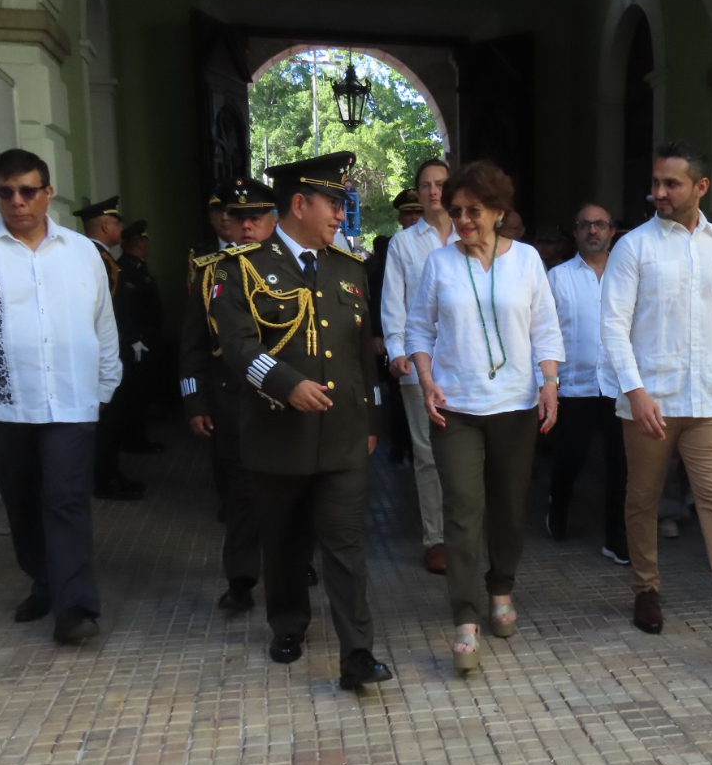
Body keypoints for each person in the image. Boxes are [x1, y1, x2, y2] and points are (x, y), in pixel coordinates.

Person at [211, 152, 392, 690]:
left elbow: (364, 357)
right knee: (285, 543)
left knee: (345, 543)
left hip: (341, 436)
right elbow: (238, 347)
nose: (341, 214)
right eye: (333, 203)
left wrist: (372, 419)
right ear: (299, 203)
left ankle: (358, 653)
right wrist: (286, 386)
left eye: (341, 203)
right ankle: (288, 623)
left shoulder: (350, 269)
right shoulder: (240, 268)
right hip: (277, 434)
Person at [0, 148, 121, 643]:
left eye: (27, 191)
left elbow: (103, 322)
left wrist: (106, 381)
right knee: (21, 499)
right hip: (3, 400)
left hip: (72, 399)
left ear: (48, 193)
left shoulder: (82, 251)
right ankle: (44, 580)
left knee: (66, 498)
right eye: (6, 192)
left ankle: (75, 608)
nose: (17, 202)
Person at [600, 140, 712, 658]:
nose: (659, 192)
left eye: (670, 184)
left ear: (700, 187)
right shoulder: (634, 246)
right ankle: (646, 588)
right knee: (644, 499)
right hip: (650, 400)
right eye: (656, 183)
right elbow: (612, 324)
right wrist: (634, 391)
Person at [405, 159, 564, 673]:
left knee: (509, 506)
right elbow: (418, 330)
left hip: (515, 406)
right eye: (455, 212)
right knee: (463, 510)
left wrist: (550, 383)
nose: (463, 221)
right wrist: (426, 379)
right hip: (456, 407)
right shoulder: (440, 264)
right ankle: (466, 620)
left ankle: (501, 590)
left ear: (499, 211)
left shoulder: (527, 262)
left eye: (474, 211)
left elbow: (545, 327)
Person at [181, 177, 279, 615]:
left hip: (284, 399)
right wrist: (195, 401)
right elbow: (192, 346)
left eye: (255, 217)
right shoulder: (209, 274)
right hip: (229, 397)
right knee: (240, 493)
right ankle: (241, 579)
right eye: (237, 217)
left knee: (289, 488)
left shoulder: (296, 269)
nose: (245, 227)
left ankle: (294, 560)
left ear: (274, 219)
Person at [545, 202, 628, 564]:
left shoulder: (629, 276)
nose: (592, 231)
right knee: (570, 458)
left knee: (621, 466)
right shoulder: (557, 277)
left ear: (612, 231)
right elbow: (544, 333)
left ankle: (617, 537)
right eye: (584, 225)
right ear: (575, 232)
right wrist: (544, 382)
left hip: (618, 385)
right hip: (574, 386)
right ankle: (558, 506)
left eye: (600, 225)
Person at [382, 158, 453, 574]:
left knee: (467, 450)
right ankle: (436, 537)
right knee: (427, 453)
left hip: (467, 362)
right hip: (418, 360)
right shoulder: (404, 244)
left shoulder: (472, 236)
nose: (433, 191)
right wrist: (396, 350)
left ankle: (465, 530)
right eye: (425, 185)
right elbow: (394, 305)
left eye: (440, 183)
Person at [75, 196, 144, 502]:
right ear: (105, 225)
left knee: (114, 420)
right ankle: (104, 479)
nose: (120, 228)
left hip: (113, 352)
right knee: (106, 421)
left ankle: (110, 473)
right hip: (102, 356)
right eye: (116, 222)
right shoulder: (94, 259)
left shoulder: (103, 258)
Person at [115, 219, 165, 454]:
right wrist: (135, 338)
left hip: (147, 340)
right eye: (144, 241)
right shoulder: (124, 269)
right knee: (134, 393)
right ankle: (133, 438)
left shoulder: (139, 267)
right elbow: (125, 307)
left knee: (142, 391)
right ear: (137, 243)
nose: (147, 246)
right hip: (136, 342)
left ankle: (138, 436)